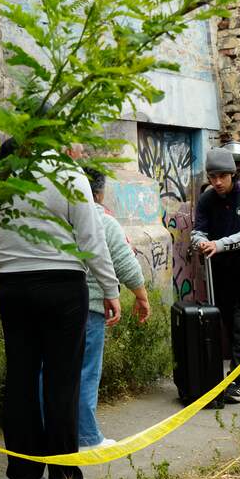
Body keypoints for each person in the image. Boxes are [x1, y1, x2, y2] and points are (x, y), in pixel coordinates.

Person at [0, 138, 120, 479]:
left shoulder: (2, 178)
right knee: (62, 384)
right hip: (62, 286)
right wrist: (110, 288)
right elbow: (91, 239)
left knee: (20, 382)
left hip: (13, 286)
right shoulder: (68, 174)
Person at [190, 145, 240, 401]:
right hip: (221, 277)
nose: (217, 182)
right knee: (231, 328)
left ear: (233, 174)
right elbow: (198, 231)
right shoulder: (206, 199)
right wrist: (201, 242)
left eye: (222, 176)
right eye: (212, 177)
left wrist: (219, 245)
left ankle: (234, 382)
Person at [76, 167, 150, 449]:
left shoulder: (57, 220)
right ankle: (86, 437)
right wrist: (141, 297)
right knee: (86, 372)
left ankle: (50, 436)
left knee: (51, 373)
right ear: (99, 193)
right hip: (91, 307)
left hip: (55, 305)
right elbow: (124, 261)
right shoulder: (102, 220)